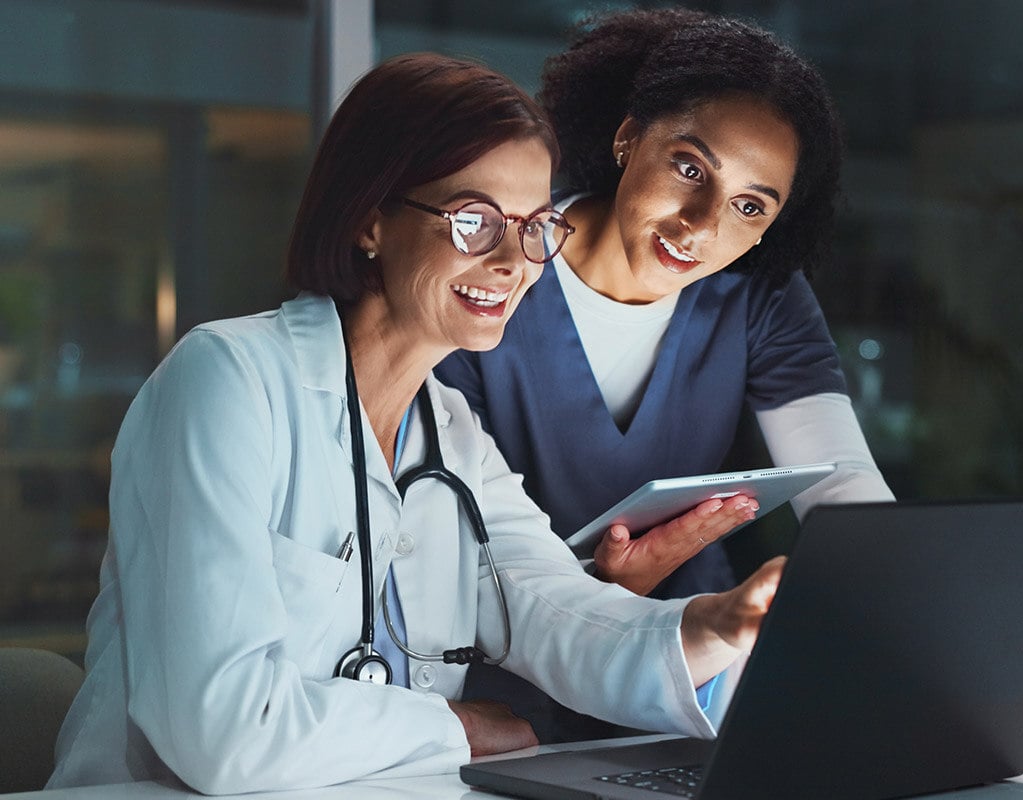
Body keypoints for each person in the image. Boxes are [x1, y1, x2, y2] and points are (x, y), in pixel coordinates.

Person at [46, 53, 785, 794]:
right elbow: (223, 732)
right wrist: (456, 728)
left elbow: (554, 610)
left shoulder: (451, 429)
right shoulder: (229, 380)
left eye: (535, 226)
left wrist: (716, 626)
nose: (513, 261)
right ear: (371, 217)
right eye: (474, 220)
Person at [436, 8, 894, 740]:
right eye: (690, 168)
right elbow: (436, 556)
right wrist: (606, 590)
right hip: (503, 695)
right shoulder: (494, 273)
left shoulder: (758, 295)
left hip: (693, 683)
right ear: (626, 137)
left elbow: (842, 485)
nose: (702, 224)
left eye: (750, 206)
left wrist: (913, 603)